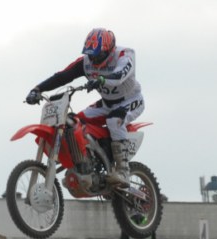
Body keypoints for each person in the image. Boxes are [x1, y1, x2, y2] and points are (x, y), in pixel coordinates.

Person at [24, 27, 144, 186]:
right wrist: (37, 89)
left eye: (98, 55)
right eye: (91, 55)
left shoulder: (125, 54)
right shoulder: (86, 63)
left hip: (130, 100)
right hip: (107, 103)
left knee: (114, 120)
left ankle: (122, 170)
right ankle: (85, 161)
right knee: (74, 122)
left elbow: (120, 75)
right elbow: (63, 76)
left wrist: (101, 79)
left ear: (109, 50)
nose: (94, 60)